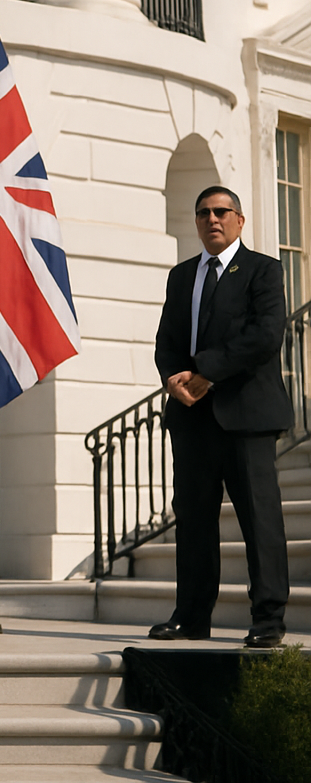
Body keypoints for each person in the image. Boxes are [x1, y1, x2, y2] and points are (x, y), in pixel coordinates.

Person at [151, 185, 292, 648]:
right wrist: (173, 376)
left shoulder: (263, 271)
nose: (212, 219)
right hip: (192, 417)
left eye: (221, 212)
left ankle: (268, 620)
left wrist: (207, 373)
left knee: (260, 521)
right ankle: (191, 617)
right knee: (193, 521)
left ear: (239, 220)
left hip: (246, 415)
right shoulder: (181, 276)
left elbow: (265, 336)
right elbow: (167, 338)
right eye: (203, 213)